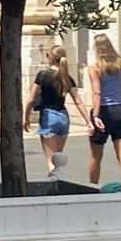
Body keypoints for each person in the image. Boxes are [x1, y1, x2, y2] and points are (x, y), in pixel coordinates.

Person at [24, 42, 89, 180]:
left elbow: (31, 99)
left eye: (48, 55)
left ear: (51, 58)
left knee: (51, 162)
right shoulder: (67, 78)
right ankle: (60, 181)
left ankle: (54, 183)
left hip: (48, 117)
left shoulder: (43, 75)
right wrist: (89, 122)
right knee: (58, 160)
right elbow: (78, 101)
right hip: (63, 118)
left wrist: (26, 117)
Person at [87, 32, 121, 187]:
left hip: (103, 111)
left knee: (96, 156)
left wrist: (96, 115)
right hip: (120, 110)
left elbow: (97, 93)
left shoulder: (94, 67)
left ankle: (93, 187)